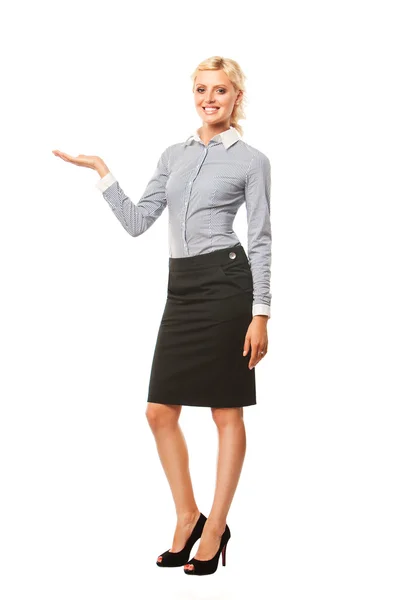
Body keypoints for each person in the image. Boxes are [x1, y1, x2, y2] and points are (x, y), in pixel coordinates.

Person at [52, 55, 272, 576]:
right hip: (181, 289)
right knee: (158, 411)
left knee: (225, 413)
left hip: (226, 285)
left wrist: (260, 313)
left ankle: (215, 528)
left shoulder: (252, 160)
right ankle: (186, 515)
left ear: (236, 97)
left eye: (219, 90)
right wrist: (103, 172)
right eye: (200, 89)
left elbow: (261, 238)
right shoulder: (173, 155)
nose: (209, 98)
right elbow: (137, 222)